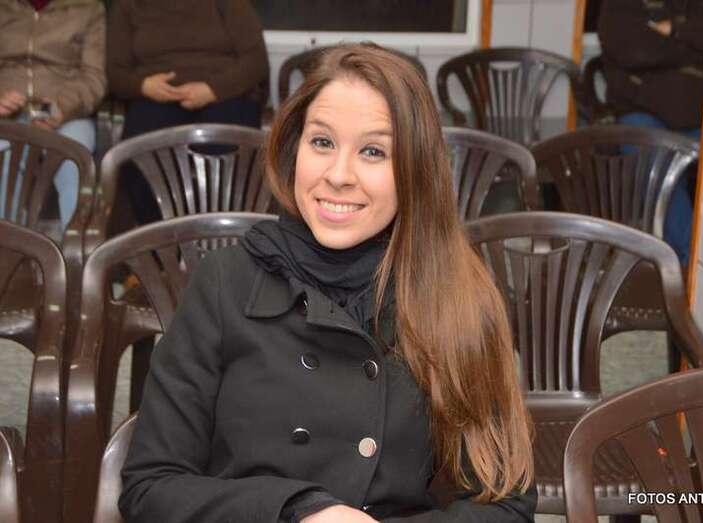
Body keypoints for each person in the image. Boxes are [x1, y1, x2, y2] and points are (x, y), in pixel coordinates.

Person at [119, 44, 537, 522]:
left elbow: (507, 504)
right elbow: (150, 487)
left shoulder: (457, 292)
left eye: (373, 151)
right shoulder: (225, 282)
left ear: (415, 170)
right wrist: (298, 511)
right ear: (293, 148)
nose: (338, 175)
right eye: (322, 142)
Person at [106, 0, 269, 224]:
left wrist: (212, 90)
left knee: (226, 155)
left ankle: (223, 237)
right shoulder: (127, 5)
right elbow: (115, 73)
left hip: (224, 93)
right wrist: (143, 86)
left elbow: (256, 61)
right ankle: (161, 238)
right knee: (141, 157)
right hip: (155, 98)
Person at [598, 0, 703, 266]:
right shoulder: (619, 7)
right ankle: (691, 261)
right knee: (660, 164)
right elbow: (631, 49)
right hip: (640, 112)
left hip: (699, 116)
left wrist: (675, 30)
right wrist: (692, 53)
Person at [0, 0, 106, 229]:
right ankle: (9, 247)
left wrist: (62, 107)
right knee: (4, 158)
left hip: (67, 113)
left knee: (74, 159)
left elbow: (95, 78)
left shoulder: (87, 8)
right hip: (7, 117)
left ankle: (74, 246)